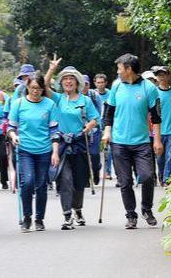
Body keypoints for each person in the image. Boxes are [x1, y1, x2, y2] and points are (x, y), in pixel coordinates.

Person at [103, 53, 164, 230]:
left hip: (142, 142)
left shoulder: (149, 88)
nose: (118, 71)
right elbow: (109, 112)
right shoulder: (116, 86)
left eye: (119, 68)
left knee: (146, 177)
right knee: (125, 181)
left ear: (129, 69)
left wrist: (157, 140)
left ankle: (146, 208)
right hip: (120, 142)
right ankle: (131, 215)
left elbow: (157, 117)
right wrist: (107, 131)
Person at [45, 55, 99, 230]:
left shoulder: (85, 100)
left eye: (71, 79)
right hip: (62, 144)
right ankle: (67, 215)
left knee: (79, 180)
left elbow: (95, 119)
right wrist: (52, 69)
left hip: (79, 143)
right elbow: (44, 86)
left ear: (77, 82)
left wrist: (88, 127)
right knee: (65, 179)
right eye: (65, 79)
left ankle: (78, 209)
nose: (68, 81)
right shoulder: (59, 98)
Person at [7, 73, 59, 232]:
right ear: (27, 87)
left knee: (41, 185)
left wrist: (55, 152)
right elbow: (10, 127)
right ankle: (27, 217)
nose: (35, 91)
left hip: (44, 150)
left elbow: (55, 131)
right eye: (32, 88)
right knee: (27, 182)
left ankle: (39, 218)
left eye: (39, 88)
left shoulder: (50, 105)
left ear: (43, 89)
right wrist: (13, 136)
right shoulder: (19, 104)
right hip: (25, 150)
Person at [82, 75, 103, 185]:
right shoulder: (76, 96)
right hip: (81, 130)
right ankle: (85, 177)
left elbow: (99, 114)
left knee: (94, 154)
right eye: (83, 84)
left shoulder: (95, 96)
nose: (84, 86)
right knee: (83, 154)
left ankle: (96, 171)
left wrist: (97, 125)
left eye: (87, 84)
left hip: (94, 130)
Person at [94, 74, 112, 180]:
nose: (100, 84)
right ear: (95, 83)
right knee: (95, 151)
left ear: (105, 83)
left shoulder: (110, 94)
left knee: (108, 150)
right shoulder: (93, 94)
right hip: (95, 125)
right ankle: (95, 170)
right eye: (98, 82)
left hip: (107, 125)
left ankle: (107, 171)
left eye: (102, 82)